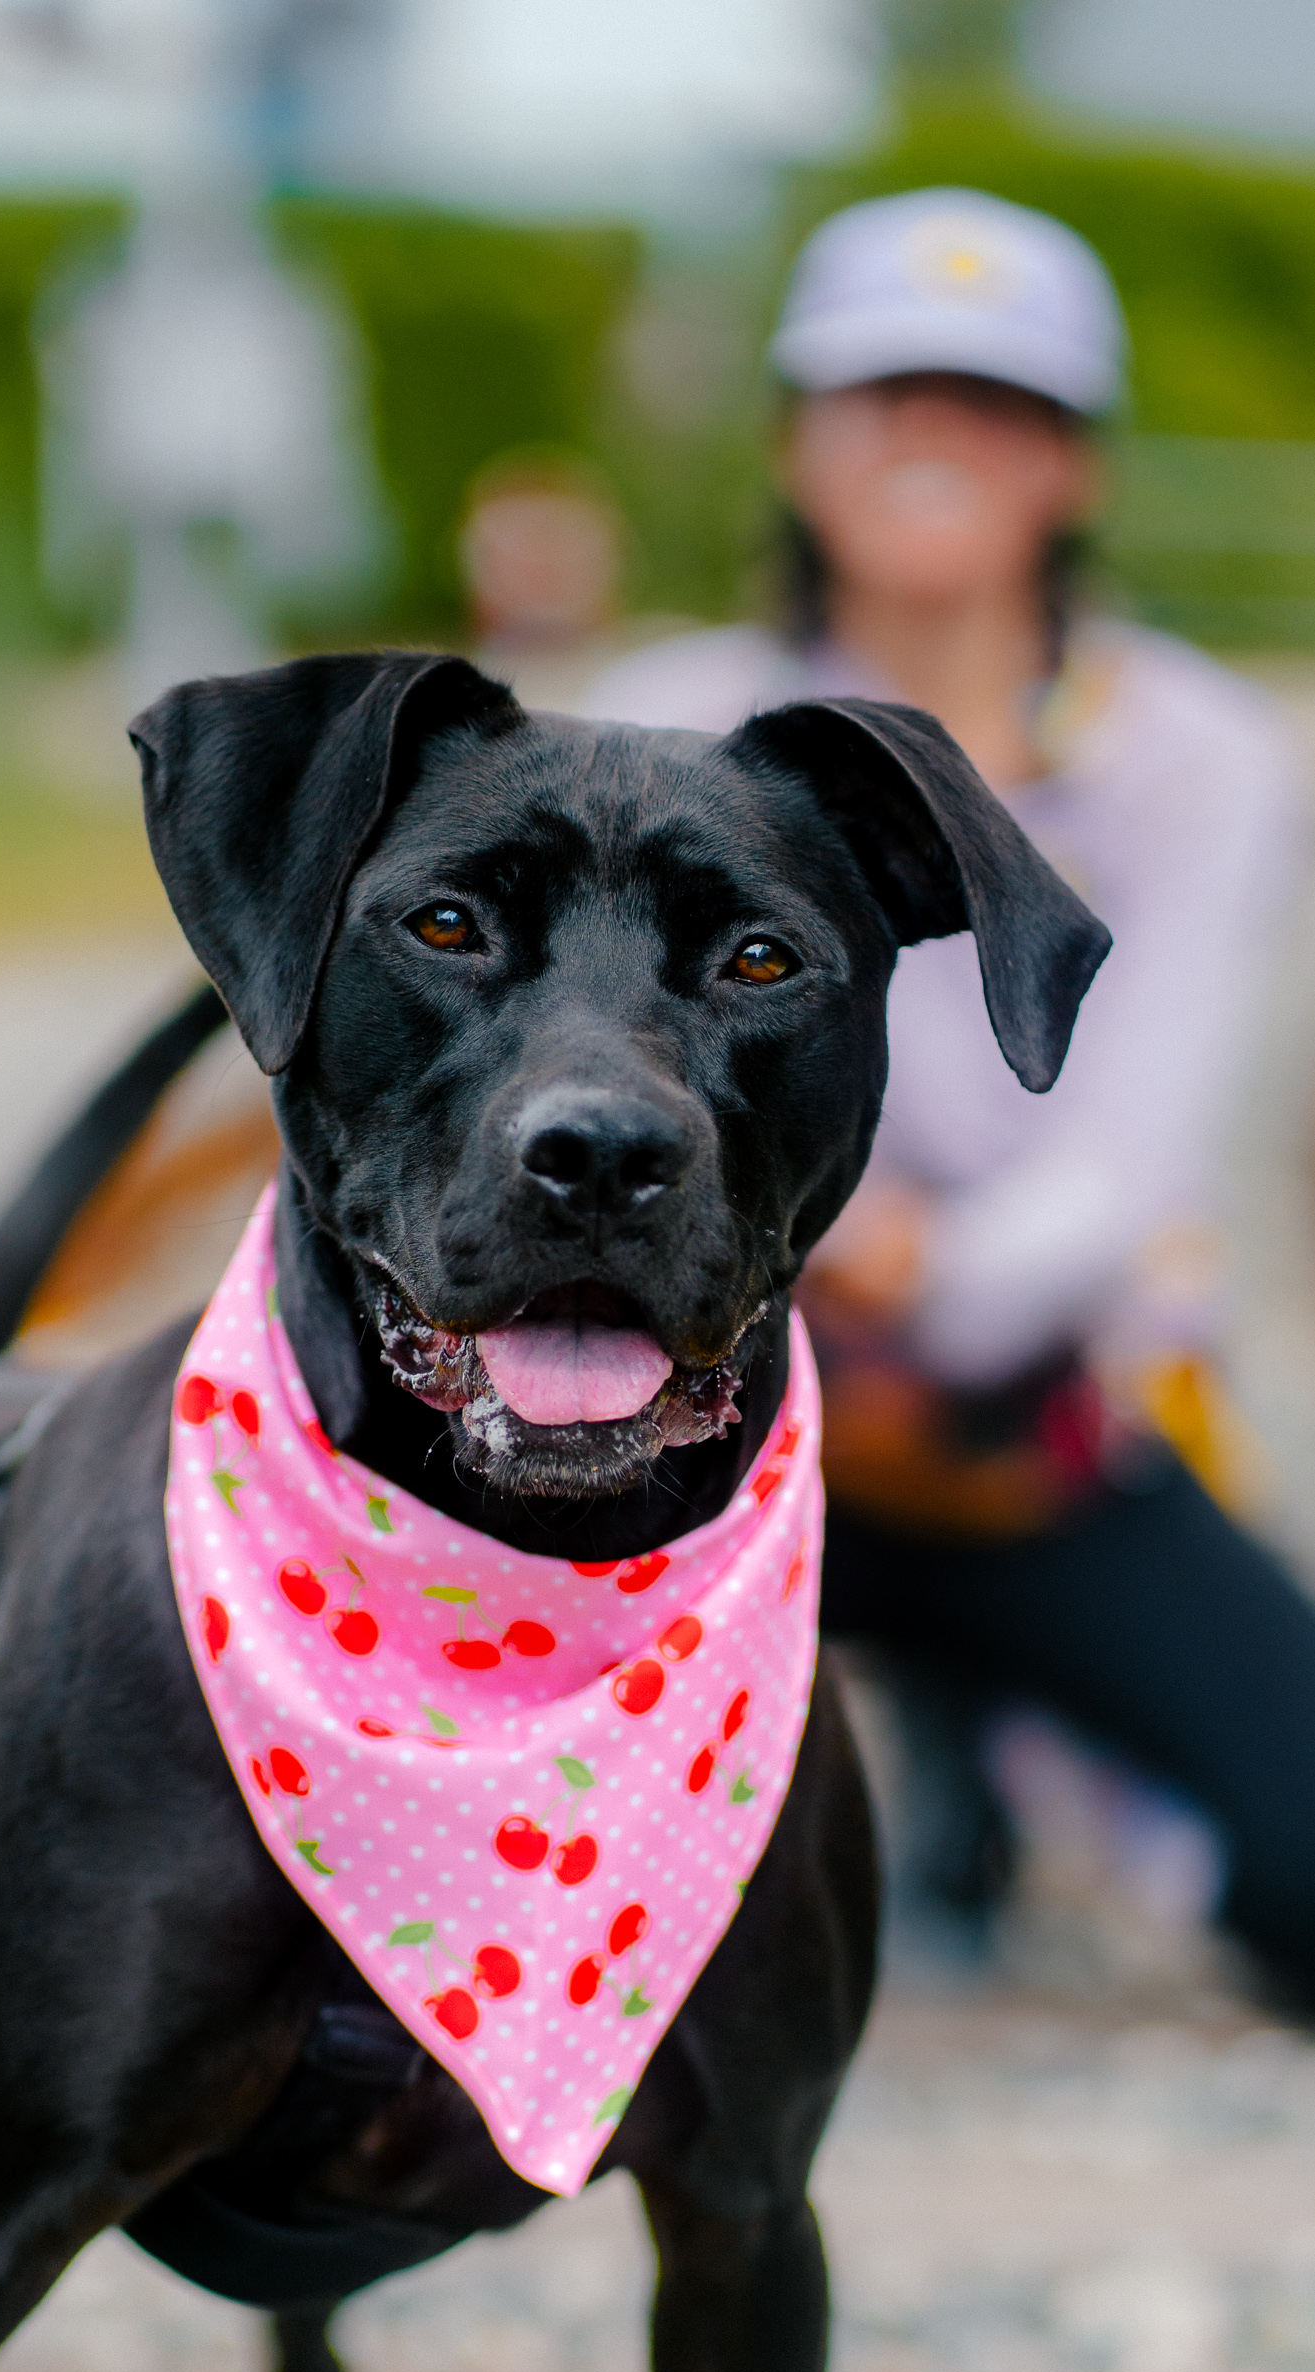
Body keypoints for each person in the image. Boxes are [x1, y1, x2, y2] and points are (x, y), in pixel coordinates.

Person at [591, 186, 1315, 1993]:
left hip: (1026, 1423)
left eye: (991, 400)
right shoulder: (663, 719)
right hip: (691, 1402)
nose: (933, 432)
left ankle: (981, 1725)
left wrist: (907, 1273)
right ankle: (874, 1748)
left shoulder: (1199, 757)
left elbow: (1126, 1163)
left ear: (1068, 466)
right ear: (795, 444)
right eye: (885, 387)